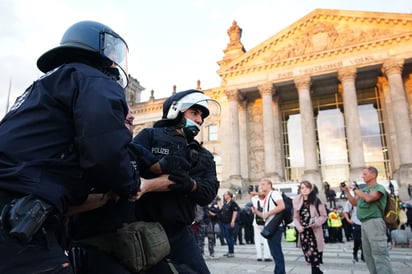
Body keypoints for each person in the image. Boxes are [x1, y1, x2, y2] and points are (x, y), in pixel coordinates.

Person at [0, 21, 140, 274]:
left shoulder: (42, 86)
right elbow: (105, 151)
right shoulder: (94, 80)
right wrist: (130, 184)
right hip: (19, 217)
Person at [131, 89, 220, 273]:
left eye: (201, 116)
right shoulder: (150, 136)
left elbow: (209, 192)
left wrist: (191, 185)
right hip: (142, 230)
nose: (199, 120)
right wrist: (155, 166)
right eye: (194, 113)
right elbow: (128, 167)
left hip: (180, 233)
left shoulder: (203, 154)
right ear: (176, 111)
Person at [341, 166, 394, 274]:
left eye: (365, 174)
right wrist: (346, 191)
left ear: (373, 175)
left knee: (379, 253)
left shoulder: (379, 188)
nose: (362, 176)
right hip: (364, 223)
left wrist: (355, 189)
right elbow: (354, 203)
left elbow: (369, 198)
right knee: (368, 254)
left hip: (374, 222)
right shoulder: (364, 190)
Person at [293, 180, 327, 274]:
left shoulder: (316, 200)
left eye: (307, 187)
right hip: (304, 232)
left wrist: (316, 222)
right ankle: (317, 271)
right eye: (302, 188)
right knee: (308, 254)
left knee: (314, 254)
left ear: (311, 189)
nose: (304, 190)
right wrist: (298, 226)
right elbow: (295, 218)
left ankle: (316, 271)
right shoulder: (297, 201)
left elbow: (324, 216)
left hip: (314, 231)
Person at [252, 178, 286, 274]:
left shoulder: (274, 194)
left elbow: (282, 206)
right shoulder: (267, 197)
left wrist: (269, 213)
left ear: (269, 185)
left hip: (275, 226)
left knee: (276, 252)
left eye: (263, 184)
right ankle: (278, 271)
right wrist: (256, 211)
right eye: (260, 184)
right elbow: (264, 215)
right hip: (270, 226)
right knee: (274, 252)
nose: (261, 186)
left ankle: (280, 272)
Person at [342, 186, 365, 263]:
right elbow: (345, 212)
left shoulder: (365, 200)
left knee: (364, 241)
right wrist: (348, 220)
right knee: (357, 240)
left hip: (365, 223)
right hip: (356, 222)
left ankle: (363, 255)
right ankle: (355, 253)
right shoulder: (351, 201)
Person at [250, 191, 272, 262]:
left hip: (256, 222)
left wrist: (257, 194)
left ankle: (259, 256)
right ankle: (267, 256)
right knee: (266, 239)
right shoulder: (268, 201)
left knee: (257, 239)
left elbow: (252, 193)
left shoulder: (255, 200)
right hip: (266, 222)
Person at [220, 191, 239, 258]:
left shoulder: (233, 203)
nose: (224, 196)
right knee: (227, 237)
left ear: (229, 195)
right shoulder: (225, 203)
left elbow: (235, 212)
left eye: (225, 195)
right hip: (224, 222)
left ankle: (231, 252)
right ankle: (229, 250)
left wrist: (233, 221)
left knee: (230, 237)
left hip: (229, 222)